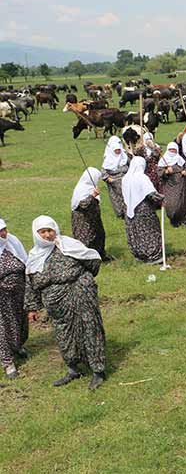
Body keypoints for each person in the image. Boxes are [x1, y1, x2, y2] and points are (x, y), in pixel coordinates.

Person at [25, 215, 106, 390]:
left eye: (50, 230)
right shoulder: (34, 256)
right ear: (36, 234)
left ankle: (98, 371)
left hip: (80, 294)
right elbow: (31, 284)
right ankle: (73, 368)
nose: (47, 235)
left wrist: (84, 281)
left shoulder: (68, 245)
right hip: (56, 306)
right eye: (43, 232)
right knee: (64, 334)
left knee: (89, 328)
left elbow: (92, 260)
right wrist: (32, 308)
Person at [121, 156, 164, 263]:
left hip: (129, 208)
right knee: (150, 230)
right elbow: (151, 194)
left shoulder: (125, 178)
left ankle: (140, 254)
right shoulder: (142, 177)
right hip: (143, 209)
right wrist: (162, 199)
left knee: (135, 231)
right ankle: (153, 255)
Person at [0, 219, 28, 379]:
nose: (3, 233)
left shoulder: (13, 241)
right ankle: (7, 362)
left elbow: (25, 260)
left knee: (20, 321)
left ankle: (17, 346)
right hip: (2, 296)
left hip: (19, 291)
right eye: (0, 232)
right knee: (3, 326)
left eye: (4, 229)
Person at [70, 167, 109, 260]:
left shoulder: (91, 187)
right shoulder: (81, 188)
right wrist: (93, 196)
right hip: (83, 219)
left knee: (99, 236)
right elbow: (83, 204)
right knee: (86, 238)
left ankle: (100, 256)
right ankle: (86, 259)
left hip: (93, 217)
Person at [157, 142, 186, 227]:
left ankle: (184, 220)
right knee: (171, 203)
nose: (172, 151)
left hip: (181, 184)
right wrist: (166, 171)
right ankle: (174, 219)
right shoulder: (163, 161)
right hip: (170, 185)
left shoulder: (180, 159)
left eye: (174, 150)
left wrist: (185, 171)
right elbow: (159, 173)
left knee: (183, 202)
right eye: (170, 150)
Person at [100, 135, 129, 218]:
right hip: (114, 183)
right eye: (116, 150)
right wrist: (109, 179)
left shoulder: (124, 157)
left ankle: (128, 212)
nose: (118, 152)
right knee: (116, 198)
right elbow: (103, 172)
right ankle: (120, 214)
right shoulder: (108, 159)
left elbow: (131, 166)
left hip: (125, 181)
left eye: (119, 150)